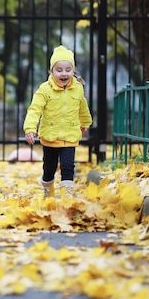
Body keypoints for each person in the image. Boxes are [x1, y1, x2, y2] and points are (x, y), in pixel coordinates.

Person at [23, 45, 92, 197]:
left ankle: (67, 197)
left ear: (73, 71)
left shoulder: (78, 88)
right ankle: (48, 189)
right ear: (51, 71)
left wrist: (85, 122)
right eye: (59, 70)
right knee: (50, 167)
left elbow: (82, 107)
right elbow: (35, 109)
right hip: (50, 136)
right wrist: (30, 129)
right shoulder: (44, 89)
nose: (64, 73)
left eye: (68, 69)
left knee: (68, 166)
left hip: (69, 136)